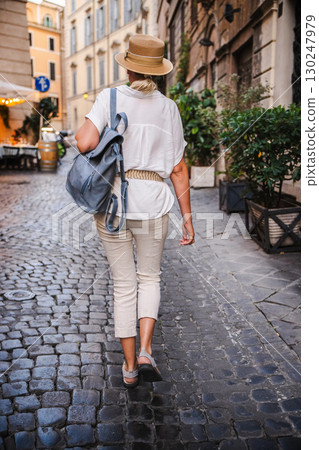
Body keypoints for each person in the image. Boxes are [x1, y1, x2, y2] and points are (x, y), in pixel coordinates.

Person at [75, 34, 195, 388]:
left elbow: (84, 142)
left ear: (127, 66)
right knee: (150, 278)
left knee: (124, 284)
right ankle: (145, 350)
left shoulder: (108, 98)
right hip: (154, 200)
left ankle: (128, 369)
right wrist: (187, 218)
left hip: (112, 199)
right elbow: (178, 169)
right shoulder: (169, 108)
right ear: (157, 71)